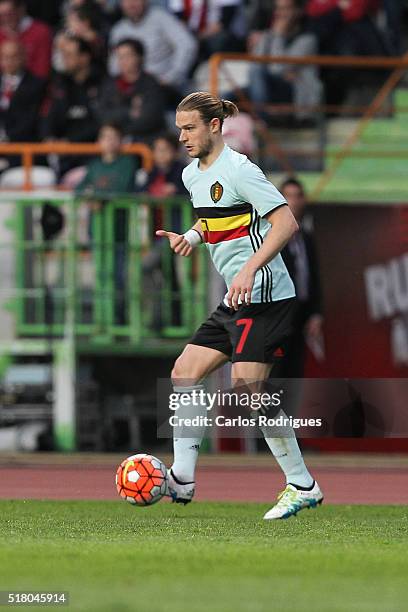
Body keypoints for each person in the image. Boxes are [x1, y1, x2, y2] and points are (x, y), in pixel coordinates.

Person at [156, 91, 323, 520]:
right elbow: (213, 217)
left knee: (249, 389)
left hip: (265, 295)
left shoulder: (241, 169)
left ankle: (302, 484)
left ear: (214, 126)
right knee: (184, 372)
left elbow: (286, 222)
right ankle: (183, 478)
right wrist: (190, 237)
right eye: (179, 128)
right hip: (236, 297)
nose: (183, 136)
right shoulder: (194, 174)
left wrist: (250, 268)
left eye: (190, 127)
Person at [278, 177, 324, 378]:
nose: (293, 202)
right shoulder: (270, 236)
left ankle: (288, 410)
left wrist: (316, 313)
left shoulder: (306, 237)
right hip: (278, 317)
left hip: (301, 315)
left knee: (294, 374)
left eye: (297, 196)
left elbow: (313, 276)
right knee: (274, 374)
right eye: (288, 197)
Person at [248, 0, 321, 122]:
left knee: (258, 74)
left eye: (286, 9)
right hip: (265, 88)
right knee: (227, 98)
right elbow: (255, 65)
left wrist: (278, 36)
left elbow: (278, 68)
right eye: (278, 9)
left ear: (298, 11)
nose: (280, 13)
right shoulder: (268, 35)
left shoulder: (308, 39)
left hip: (295, 93)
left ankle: (261, 120)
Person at [109, 0, 198, 100]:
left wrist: (171, 77)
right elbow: (114, 67)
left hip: (164, 87)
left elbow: (187, 45)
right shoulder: (118, 30)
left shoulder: (161, 18)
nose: (131, 4)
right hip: (131, 91)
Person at [42, 35, 104, 176]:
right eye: (63, 55)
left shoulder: (102, 84)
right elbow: (48, 115)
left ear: (84, 57)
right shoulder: (60, 84)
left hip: (91, 156)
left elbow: (100, 122)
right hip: (63, 156)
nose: (65, 59)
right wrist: (48, 137)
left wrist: (70, 142)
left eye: (69, 55)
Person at [99, 38, 166, 142]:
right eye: (120, 57)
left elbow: (149, 119)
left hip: (145, 140)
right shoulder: (110, 84)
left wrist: (119, 126)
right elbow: (102, 115)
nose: (122, 61)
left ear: (139, 57)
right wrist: (128, 112)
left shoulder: (151, 84)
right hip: (114, 141)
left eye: (127, 56)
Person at [0, 40, 46, 148]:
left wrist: (6, 138)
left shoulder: (37, 85)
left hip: (22, 147)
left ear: (24, 57)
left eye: (14, 57)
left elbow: (31, 119)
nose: (9, 61)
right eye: (5, 57)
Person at [0, 0, 52, 79]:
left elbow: (42, 70)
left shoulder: (40, 32)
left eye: (9, 14)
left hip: (32, 86)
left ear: (21, 10)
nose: (5, 19)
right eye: (1, 15)